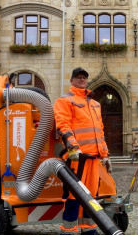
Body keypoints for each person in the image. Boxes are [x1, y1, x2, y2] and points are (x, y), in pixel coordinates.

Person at [54, 67, 111, 235]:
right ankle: (69, 231)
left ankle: (89, 230)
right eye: (78, 77)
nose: (81, 80)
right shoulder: (64, 101)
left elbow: (100, 131)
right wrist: (72, 148)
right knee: (73, 196)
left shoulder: (95, 104)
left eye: (84, 78)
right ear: (71, 81)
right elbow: (63, 125)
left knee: (91, 197)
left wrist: (105, 155)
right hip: (76, 158)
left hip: (93, 159)